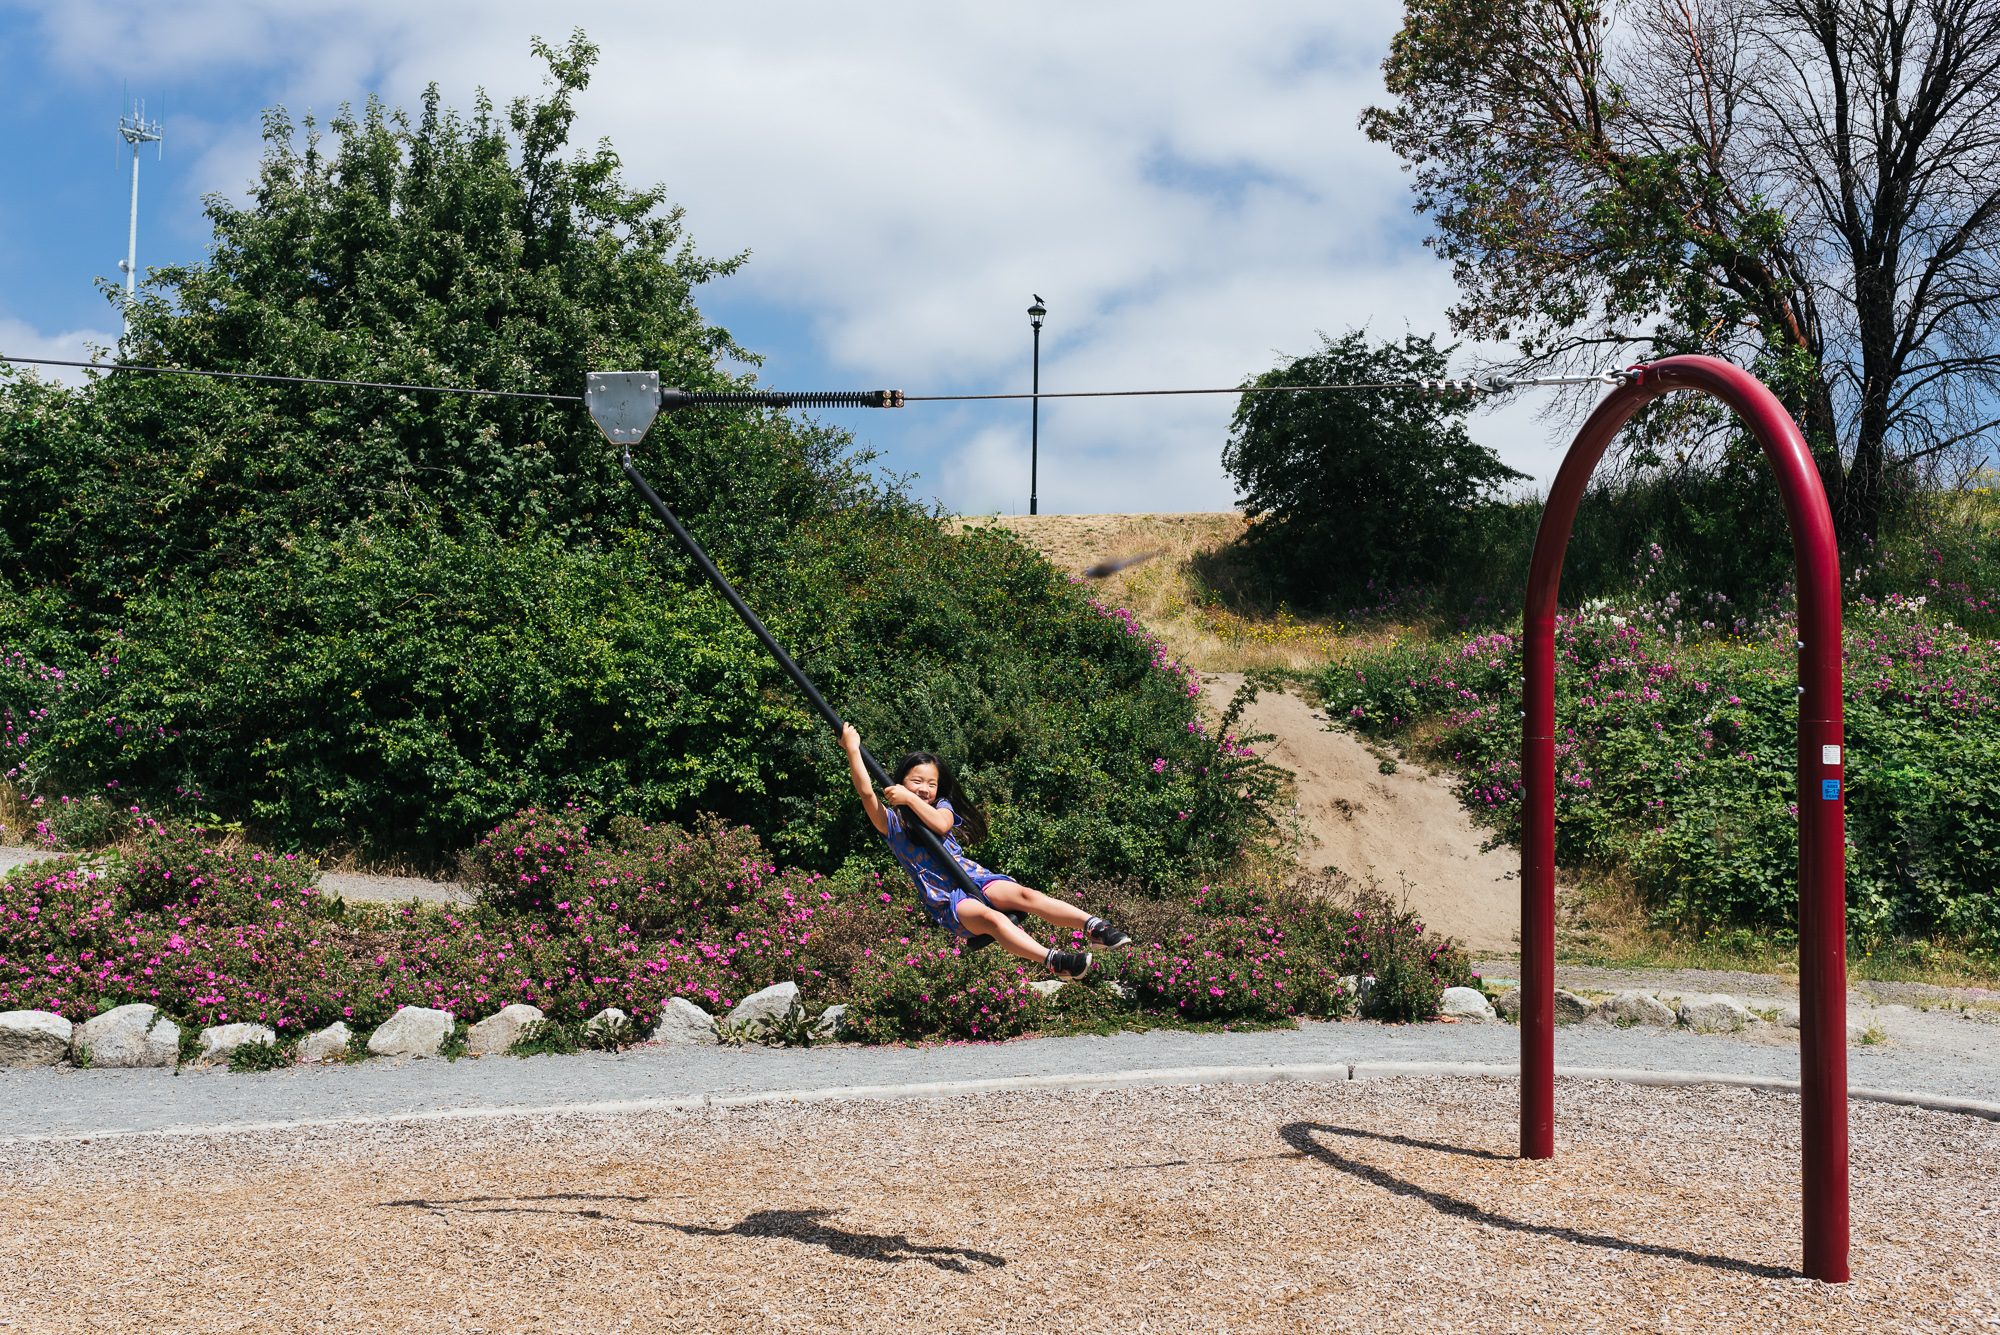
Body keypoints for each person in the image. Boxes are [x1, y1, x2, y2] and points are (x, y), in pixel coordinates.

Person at [839, 723, 1130, 978]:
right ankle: (1057, 961)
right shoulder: (893, 826)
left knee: (1027, 895)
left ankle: (1095, 927)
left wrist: (908, 799)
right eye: (916, 782)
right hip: (947, 899)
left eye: (931, 784)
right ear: (900, 781)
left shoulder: (942, 808)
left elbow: (941, 826)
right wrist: (853, 748)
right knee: (993, 920)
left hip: (974, 878)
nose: (924, 789)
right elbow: (866, 792)